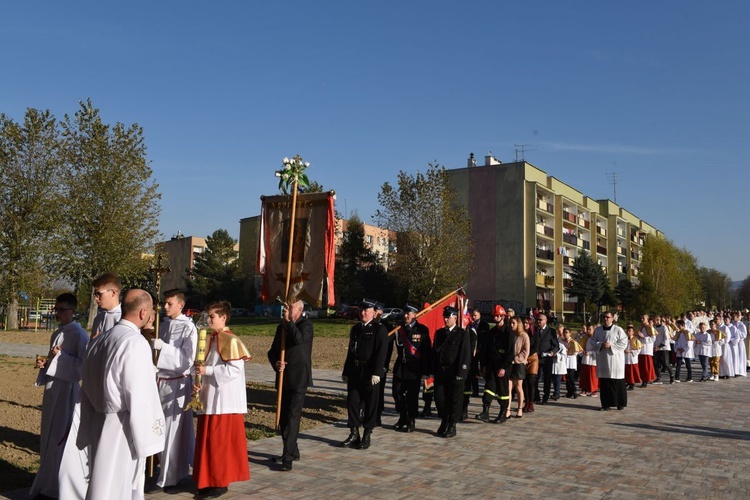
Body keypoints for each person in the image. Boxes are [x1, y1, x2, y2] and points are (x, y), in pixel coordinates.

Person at [78, 289, 165, 499]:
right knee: (116, 486)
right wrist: (149, 437)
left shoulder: (100, 340)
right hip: (123, 425)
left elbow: (86, 384)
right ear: (144, 313)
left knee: (103, 482)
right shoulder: (134, 342)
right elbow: (139, 394)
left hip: (100, 419)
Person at [58, 272, 123, 500]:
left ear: (113, 293)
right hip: (94, 383)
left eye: (98, 293)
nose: (95, 298)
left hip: (111, 388)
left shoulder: (122, 317)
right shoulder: (99, 318)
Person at [29, 293, 89, 499]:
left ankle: (59, 485)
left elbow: (83, 367)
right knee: (48, 435)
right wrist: (46, 363)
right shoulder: (56, 333)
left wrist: (60, 358)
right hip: (53, 390)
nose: (58, 313)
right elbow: (53, 360)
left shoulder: (79, 335)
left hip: (68, 391)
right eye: (57, 309)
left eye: (62, 310)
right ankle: (47, 481)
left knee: (60, 437)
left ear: (73, 311)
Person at [193, 301, 251, 498]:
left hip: (224, 401)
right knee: (207, 441)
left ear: (223, 318)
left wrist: (207, 370)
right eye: (208, 316)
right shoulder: (211, 338)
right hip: (210, 397)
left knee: (219, 443)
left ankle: (219, 482)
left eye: (212, 317)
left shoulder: (231, 340)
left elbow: (234, 370)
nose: (208, 320)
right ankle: (206, 479)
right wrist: (199, 381)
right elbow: (206, 364)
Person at [150, 289, 198, 490]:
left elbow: (187, 359)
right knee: (157, 428)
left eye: (170, 304)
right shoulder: (163, 324)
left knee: (172, 431)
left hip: (176, 384)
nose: (165, 307)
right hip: (160, 381)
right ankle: (160, 469)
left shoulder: (189, 328)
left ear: (181, 305)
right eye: (164, 303)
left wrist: (163, 349)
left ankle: (171, 476)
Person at [268, 299, 314, 471]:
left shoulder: (306, 325)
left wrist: (288, 322)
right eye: (286, 306)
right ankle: (292, 450)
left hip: (299, 378)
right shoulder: (281, 327)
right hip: (283, 378)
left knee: (293, 417)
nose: (286, 308)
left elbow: (299, 340)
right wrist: (276, 363)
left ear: (300, 309)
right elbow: (272, 352)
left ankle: (287, 458)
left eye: (291, 306)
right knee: (283, 417)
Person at [340, 299, 389, 450]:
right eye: (361, 310)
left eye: (366, 311)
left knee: (370, 405)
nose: (363, 313)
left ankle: (367, 434)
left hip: (370, 372)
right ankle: (354, 433)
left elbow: (382, 353)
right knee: (353, 403)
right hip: (355, 371)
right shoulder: (355, 329)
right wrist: (346, 371)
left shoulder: (379, 329)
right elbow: (351, 351)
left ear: (373, 313)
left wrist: (377, 372)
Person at [429, 306, 471, 438]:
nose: (446, 319)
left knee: (454, 400)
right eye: (445, 317)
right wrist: (432, 370)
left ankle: (452, 425)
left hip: (455, 373)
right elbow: (435, 353)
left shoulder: (462, 334)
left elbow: (465, 354)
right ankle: (444, 419)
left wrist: (461, 373)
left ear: (455, 317)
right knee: (439, 398)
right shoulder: (440, 333)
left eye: (449, 317)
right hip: (441, 372)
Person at [392, 304, 430, 432]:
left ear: (415, 315)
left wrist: (426, 371)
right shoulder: (399, 328)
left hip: (414, 368)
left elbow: (426, 352)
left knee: (412, 396)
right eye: (405, 313)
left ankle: (411, 420)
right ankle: (403, 417)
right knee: (397, 393)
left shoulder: (422, 330)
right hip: (400, 366)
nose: (406, 316)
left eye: (409, 313)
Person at [475, 305, 512, 423]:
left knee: (503, 391)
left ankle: (502, 413)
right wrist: (484, 365)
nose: (495, 317)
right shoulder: (492, 332)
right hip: (491, 365)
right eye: (494, 315)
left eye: (497, 316)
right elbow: (487, 350)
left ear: (502, 316)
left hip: (502, 367)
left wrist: (504, 367)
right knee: (489, 388)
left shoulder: (508, 333)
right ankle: (485, 411)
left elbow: (510, 353)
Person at [593, 312, 628, 411]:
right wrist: (600, 344)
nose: (605, 319)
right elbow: (592, 341)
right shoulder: (598, 330)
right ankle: (606, 405)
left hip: (615, 360)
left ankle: (620, 403)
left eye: (608, 317)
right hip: (603, 359)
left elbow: (624, 342)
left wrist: (611, 346)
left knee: (617, 382)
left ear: (612, 318)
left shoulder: (618, 330)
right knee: (605, 383)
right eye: (604, 317)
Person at [374, 303, 394, 426]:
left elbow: (388, 348)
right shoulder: (370, 325)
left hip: (381, 364)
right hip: (368, 364)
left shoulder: (387, 327)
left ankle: (377, 415)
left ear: (381, 312)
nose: (374, 313)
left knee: (379, 391)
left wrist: (385, 364)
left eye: (376, 311)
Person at [535, 313, 559, 405]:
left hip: (546, 358)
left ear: (545, 321)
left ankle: (545, 397)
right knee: (535, 378)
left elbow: (556, 345)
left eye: (540, 320)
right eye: (537, 319)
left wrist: (552, 352)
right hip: (536, 358)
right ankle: (536, 396)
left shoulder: (551, 331)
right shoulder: (535, 330)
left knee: (547, 379)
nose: (538, 321)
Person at [509, 316, 530, 418]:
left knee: (518, 387)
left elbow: (525, 351)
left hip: (519, 364)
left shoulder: (524, 336)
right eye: (510, 323)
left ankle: (519, 408)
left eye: (513, 323)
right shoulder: (509, 334)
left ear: (518, 324)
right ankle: (507, 409)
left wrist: (516, 359)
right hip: (509, 364)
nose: (511, 325)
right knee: (508, 388)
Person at [637, 315, 657, 387]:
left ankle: (646, 380)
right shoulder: (640, 327)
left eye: (643, 318)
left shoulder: (650, 327)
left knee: (646, 366)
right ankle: (642, 379)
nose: (642, 320)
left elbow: (653, 338)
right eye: (641, 318)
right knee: (641, 366)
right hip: (640, 349)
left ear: (647, 319)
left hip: (646, 349)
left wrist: (644, 337)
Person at [579, 324, 599, 397]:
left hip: (592, 360)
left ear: (594, 330)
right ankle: (584, 389)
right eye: (587, 329)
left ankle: (594, 390)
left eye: (590, 329)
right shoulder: (585, 338)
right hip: (585, 359)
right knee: (584, 375)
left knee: (592, 376)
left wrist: (590, 352)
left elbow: (598, 350)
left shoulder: (596, 339)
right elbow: (580, 347)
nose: (588, 331)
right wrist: (582, 351)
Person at [624, 325, 642, 391]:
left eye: (630, 331)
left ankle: (632, 383)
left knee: (632, 371)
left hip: (632, 358)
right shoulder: (624, 339)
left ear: (633, 332)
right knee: (627, 371)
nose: (628, 332)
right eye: (628, 331)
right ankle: (628, 382)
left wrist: (631, 351)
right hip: (625, 358)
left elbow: (639, 349)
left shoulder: (635, 340)